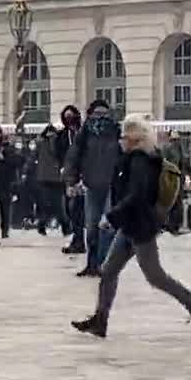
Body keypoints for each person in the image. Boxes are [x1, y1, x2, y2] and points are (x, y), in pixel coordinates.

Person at [71, 114, 191, 339]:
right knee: (108, 271)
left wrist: (111, 216)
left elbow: (136, 196)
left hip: (140, 225)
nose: (121, 141)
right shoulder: (138, 158)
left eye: (124, 137)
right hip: (131, 224)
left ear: (135, 139)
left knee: (155, 276)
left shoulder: (140, 161)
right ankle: (100, 320)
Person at [69, 99, 123, 276]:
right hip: (91, 185)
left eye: (104, 114)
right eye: (97, 114)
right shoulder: (84, 134)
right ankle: (92, 264)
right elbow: (74, 157)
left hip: (111, 185)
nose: (101, 117)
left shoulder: (116, 132)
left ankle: (104, 263)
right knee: (91, 226)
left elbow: (125, 158)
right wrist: (72, 180)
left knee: (106, 226)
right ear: (91, 115)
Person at [54, 105, 83, 252]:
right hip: (69, 176)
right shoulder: (62, 136)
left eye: (71, 116)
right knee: (70, 208)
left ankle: (80, 240)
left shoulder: (83, 133)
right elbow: (58, 153)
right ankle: (77, 238)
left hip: (83, 175)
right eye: (66, 117)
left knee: (79, 208)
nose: (69, 120)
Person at [33, 124, 69, 238]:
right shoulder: (58, 142)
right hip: (56, 178)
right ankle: (65, 228)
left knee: (47, 205)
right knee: (58, 206)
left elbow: (33, 158)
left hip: (45, 178)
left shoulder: (40, 143)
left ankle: (43, 226)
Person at [161, 129, 189, 233]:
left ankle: (176, 225)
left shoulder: (180, 148)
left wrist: (186, 175)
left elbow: (183, 163)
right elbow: (164, 162)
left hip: (179, 178)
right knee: (171, 202)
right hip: (170, 177)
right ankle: (170, 225)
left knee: (178, 203)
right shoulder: (167, 148)